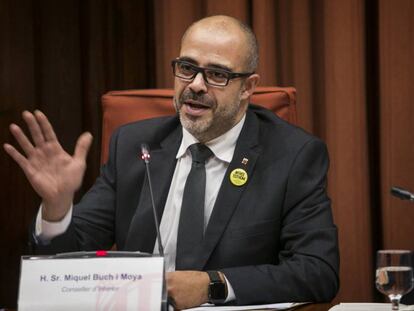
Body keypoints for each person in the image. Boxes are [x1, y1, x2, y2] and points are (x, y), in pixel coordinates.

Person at [4, 15, 339, 309]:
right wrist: (58, 208)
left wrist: (213, 285)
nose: (195, 85)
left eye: (217, 74)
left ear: (248, 87)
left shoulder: (293, 155)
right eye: (187, 68)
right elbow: (65, 266)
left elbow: (317, 271)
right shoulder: (133, 145)